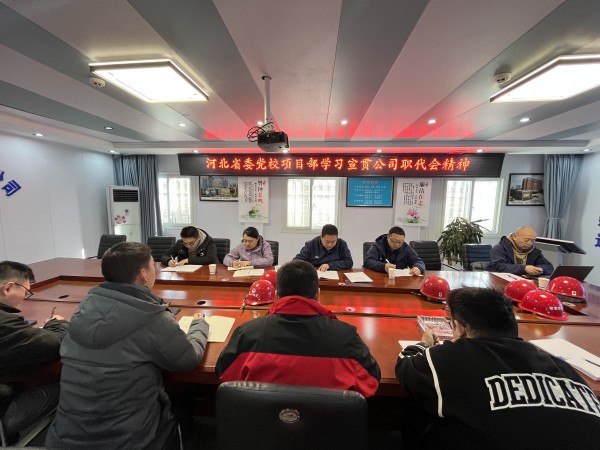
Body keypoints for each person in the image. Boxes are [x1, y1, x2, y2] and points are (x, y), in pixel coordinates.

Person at [46, 242, 209, 449]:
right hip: (128, 441)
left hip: (64, 439)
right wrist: (199, 325)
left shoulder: (84, 309)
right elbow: (188, 359)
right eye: (152, 265)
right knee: (185, 400)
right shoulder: (151, 316)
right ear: (143, 274)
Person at [395, 287, 600, 449]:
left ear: (459, 328)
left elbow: (405, 365)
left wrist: (424, 344)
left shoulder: (449, 357)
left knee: (417, 415)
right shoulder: (563, 368)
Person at [215, 260, 381, 397]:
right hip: (327, 425)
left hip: (261, 425)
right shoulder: (346, 336)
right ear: (318, 294)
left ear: (277, 295)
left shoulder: (248, 333)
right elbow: (372, 379)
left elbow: (223, 372)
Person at [0, 261, 68, 444]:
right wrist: (57, 324)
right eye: (26, 292)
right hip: (3, 412)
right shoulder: (4, 324)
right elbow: (54, 344)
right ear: (8, 288)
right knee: (69, 383)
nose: (25, 298)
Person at [487, 226, 553, 276]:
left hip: (524, 281)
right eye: (526, 240)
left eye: (533, 240)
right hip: (499, 280)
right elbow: (499, 266)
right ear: (514, 237)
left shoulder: (534, 251)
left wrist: (540, 269)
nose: (529, 243)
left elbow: (549, 266)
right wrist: (524, 269)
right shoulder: (499, 249)